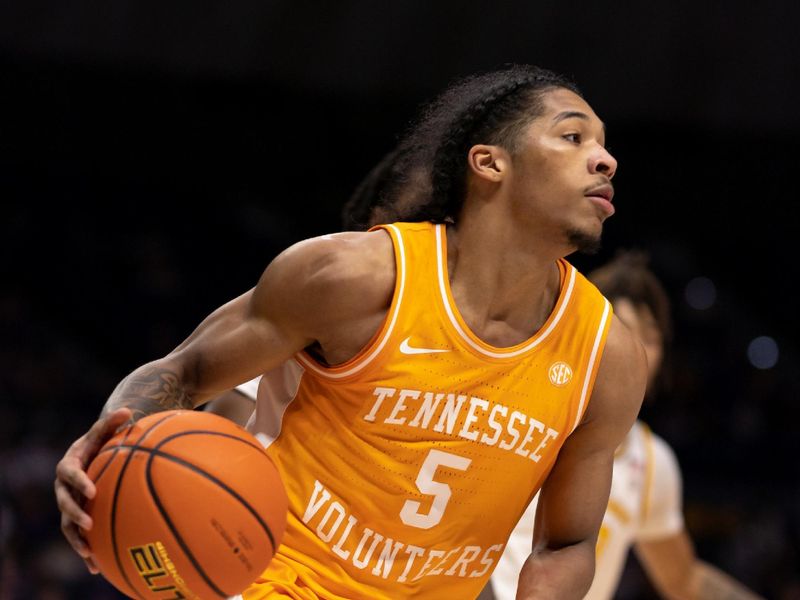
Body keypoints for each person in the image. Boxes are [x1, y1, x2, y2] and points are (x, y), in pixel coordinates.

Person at [54, 64, 647, 599]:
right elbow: (184, 372)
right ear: (490, 162)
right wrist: (105, 448)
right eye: (574, 137)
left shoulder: (607, 355)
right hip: (277, 582)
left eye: (604, 145)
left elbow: (565, 543)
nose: (605, 159)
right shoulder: (353, 278)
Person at [488, 252, 762, 600]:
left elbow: (684, 580)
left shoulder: (651, 461)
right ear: (582, 337)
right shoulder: (522, 415)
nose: (637, 351)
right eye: (624, 331)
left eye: (650, 337)